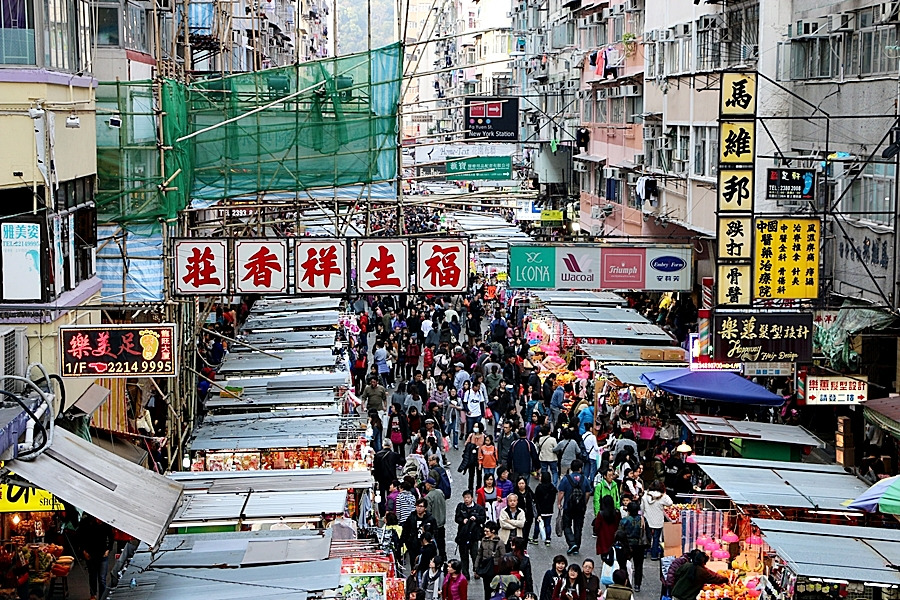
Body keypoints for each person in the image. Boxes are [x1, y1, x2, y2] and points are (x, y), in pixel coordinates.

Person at [557, 459, 590, 556]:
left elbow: (561, 492)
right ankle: (577, 547)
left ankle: (572, 543)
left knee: (566, 525)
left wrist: (559, 503)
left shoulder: (566, 479)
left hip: (568, 506)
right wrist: (584, 503)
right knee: (578, 527)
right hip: (580, 507)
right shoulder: (584, 479)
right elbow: (588, 492)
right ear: (580, 469)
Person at [78, 514, 114, 600]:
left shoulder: (106, 524)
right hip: (90, 553)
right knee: (92, 575)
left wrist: (108, 549)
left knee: (102, 578)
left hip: (102, 553)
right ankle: (93, 595)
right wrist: (84, 551)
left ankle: (102, 596)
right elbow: (81, 537)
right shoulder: (87, 522)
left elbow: (111, 538)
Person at [455, 490, 487, 578]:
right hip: (463, 535)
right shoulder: (460, 507)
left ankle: (476, 571)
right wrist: (462, 520)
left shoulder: (478, 508)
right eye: (465, 497)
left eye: (468, 497)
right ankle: (465, 573)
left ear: (472, 498)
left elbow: (483, 519)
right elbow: (457, 518)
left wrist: (476, 518)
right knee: (464, 555)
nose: (466, 499)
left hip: (474, 535)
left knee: (475, 554)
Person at [402, 499, 438, 570]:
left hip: (426, 546)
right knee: (414, 565)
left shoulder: (430, 519)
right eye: (417, 506)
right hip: (413, 545)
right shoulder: (411, 517)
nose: (419, 508)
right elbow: (405, 530)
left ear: (425, 508)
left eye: (421, 506)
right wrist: (406, 542)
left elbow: (435, 532)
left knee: (425, 565)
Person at [641, 481, 673, 560]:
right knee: (656, 538)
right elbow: (670, 503)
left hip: (647, 519)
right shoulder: (663, 496)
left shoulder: (645, 495)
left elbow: (642, 507)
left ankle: (644, 553)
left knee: (647, 537)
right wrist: (664, 494)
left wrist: (642, 515)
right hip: (658, 520)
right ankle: (654, 555)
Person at [619, 502, 646, 592]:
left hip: (626, 545)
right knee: (638, 565)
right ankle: (637, 585)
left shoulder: (624, 520)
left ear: (628, 510)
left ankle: (625, 582)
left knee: (624, 564)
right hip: (639, 545)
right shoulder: (642, 520)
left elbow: (620, 533)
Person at [475, 521, 504, 600]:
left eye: (487, 531)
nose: (485, 533)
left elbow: (503, 557)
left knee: (496, 588)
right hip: (486, 568)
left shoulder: (499, 543)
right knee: (486, 589)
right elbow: (479, 554)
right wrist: (476, 567)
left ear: (493, 531)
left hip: (495, 568)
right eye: (484, 531)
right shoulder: (483, 540)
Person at [373, 440, 402, 514]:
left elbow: (375, 468)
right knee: (392, 496)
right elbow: (402, 461)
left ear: (383, 445)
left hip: (381, 479)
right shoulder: (394, 455)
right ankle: (391, 511)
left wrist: (376, 479)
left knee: (381, 496)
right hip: (391, 478)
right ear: (391, 445)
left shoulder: (377, 455)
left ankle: (382, 512)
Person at [424, 477, 448, 559]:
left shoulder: (428, 497)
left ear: (429, 485)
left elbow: (428, 512)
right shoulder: (440, 492)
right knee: (442, 540)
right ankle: (443, 555)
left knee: (435, 541)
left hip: (434, 524)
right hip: (442, 521)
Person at [533, 472, 556, 545]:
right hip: (549, 510)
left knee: (537, 524)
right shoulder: (552, 487)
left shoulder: (539, 487)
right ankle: (548, 539)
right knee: (547, 525)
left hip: (540, 509)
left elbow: (536, 499)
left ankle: (535, 538)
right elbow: (553, 499)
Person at [512, 477, 536, 546]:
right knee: (520, 533)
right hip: (519, 516)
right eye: (519, 483)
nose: (521, 485)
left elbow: (535, 501)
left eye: (522, 483)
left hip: (529, 516)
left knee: (526, 533)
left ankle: (524, 547)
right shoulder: (515, 493)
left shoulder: (529, 492)